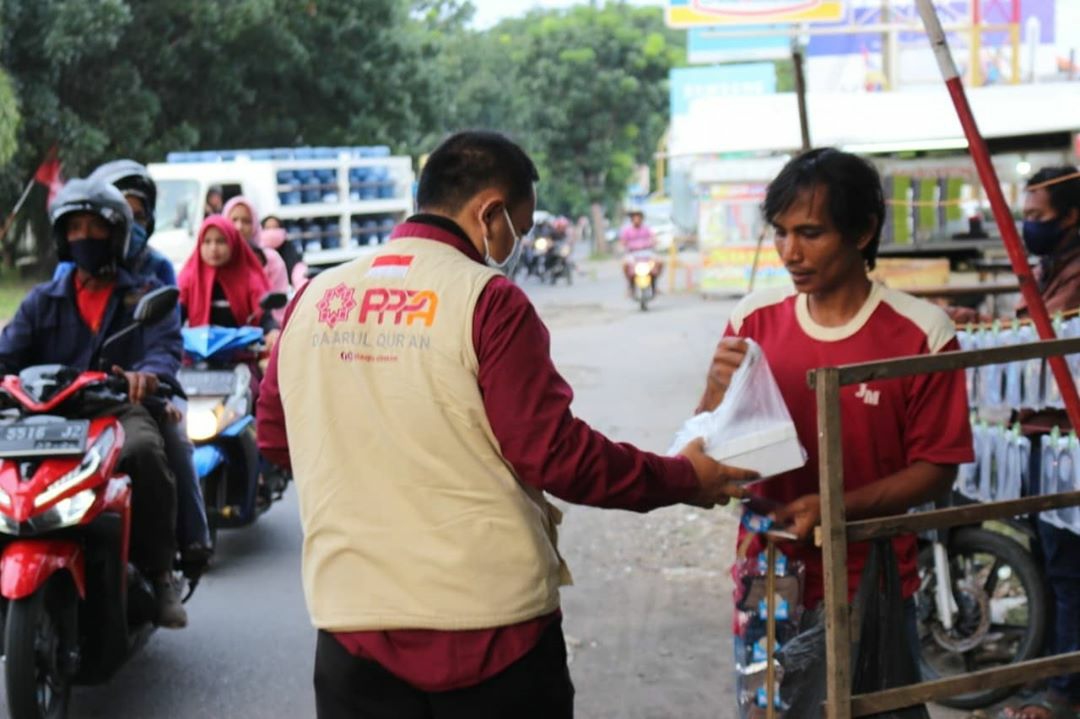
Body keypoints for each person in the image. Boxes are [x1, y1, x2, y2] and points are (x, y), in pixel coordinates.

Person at [256, 130, 753, 718]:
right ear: (489, 212)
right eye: (520, 224)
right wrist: (683, 478)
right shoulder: (487, 300)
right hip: (491, 635)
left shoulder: (315, 298)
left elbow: (275, 438)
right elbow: (556, 455)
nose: (517, 243)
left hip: (352, 627)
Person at [697, 149, 973, 659]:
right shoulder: (752, 320)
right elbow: (706, 450)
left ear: (863, 232)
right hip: (769, 575)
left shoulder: (922, 334)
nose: (789, 252)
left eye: (810, 233)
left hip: (874, 581)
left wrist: (835, 508)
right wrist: (716, 389)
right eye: (780, 232)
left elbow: (938, 469)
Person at [0, 178, 187, 628]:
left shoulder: (142, 296)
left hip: (114, 411)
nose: (84, 237)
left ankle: (160, 571)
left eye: (95, 227)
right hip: (45, 415)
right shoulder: (44, 299)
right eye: (75, 228)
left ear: (118, 235)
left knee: (144, 451)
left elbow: (164, 350)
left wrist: (148, 377)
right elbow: (8, 352)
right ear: (63, 238)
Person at [83, 160, 212, 565]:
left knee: (170, 442)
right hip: (74, 401)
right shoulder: (66, 280)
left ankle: (186, 545)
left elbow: (164, 339)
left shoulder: (153, 276)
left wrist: (152, 380)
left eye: (137, 215)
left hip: (137, 396)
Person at [1002, 166, 1080, 719]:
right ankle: (1053, 671)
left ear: (1071, 216)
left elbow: (1040, 331)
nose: (1030, 227)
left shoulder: (1075, 272)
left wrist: (979, 324)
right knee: (1051, 559)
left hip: (1064, 438)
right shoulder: (1053, 266)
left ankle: (1064, 686)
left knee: (1066, 566)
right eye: (1025, 217)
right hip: (1042, 429)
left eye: (1038, 218)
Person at [178, 216, 273, 331]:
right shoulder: (190, 278)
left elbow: (264, 316)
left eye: (221, 241)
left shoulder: (249, 278)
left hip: (243, 347)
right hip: (198, 347)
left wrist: (271, 332)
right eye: (207, 242)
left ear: (233, 242)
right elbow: (176, 316)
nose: (213, 248)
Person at [261, 215, 307, 290]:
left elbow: (300, 275)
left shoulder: (290, 252)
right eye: (268, 228)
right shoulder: (257, 253)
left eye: (275, 228)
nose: (272, 232)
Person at [619, 209, 661, 293]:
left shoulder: (646, 229)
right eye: (635, 218)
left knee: (659, 262)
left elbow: (653, 237)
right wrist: (623, 246)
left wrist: (655, 241)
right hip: (633, 254)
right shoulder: (627, 231)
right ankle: (630, 286)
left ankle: (654, 284)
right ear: (632, 219)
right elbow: (622, 242)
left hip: (647, 253)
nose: (637, 220)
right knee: (624, 264)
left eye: (638, 218)